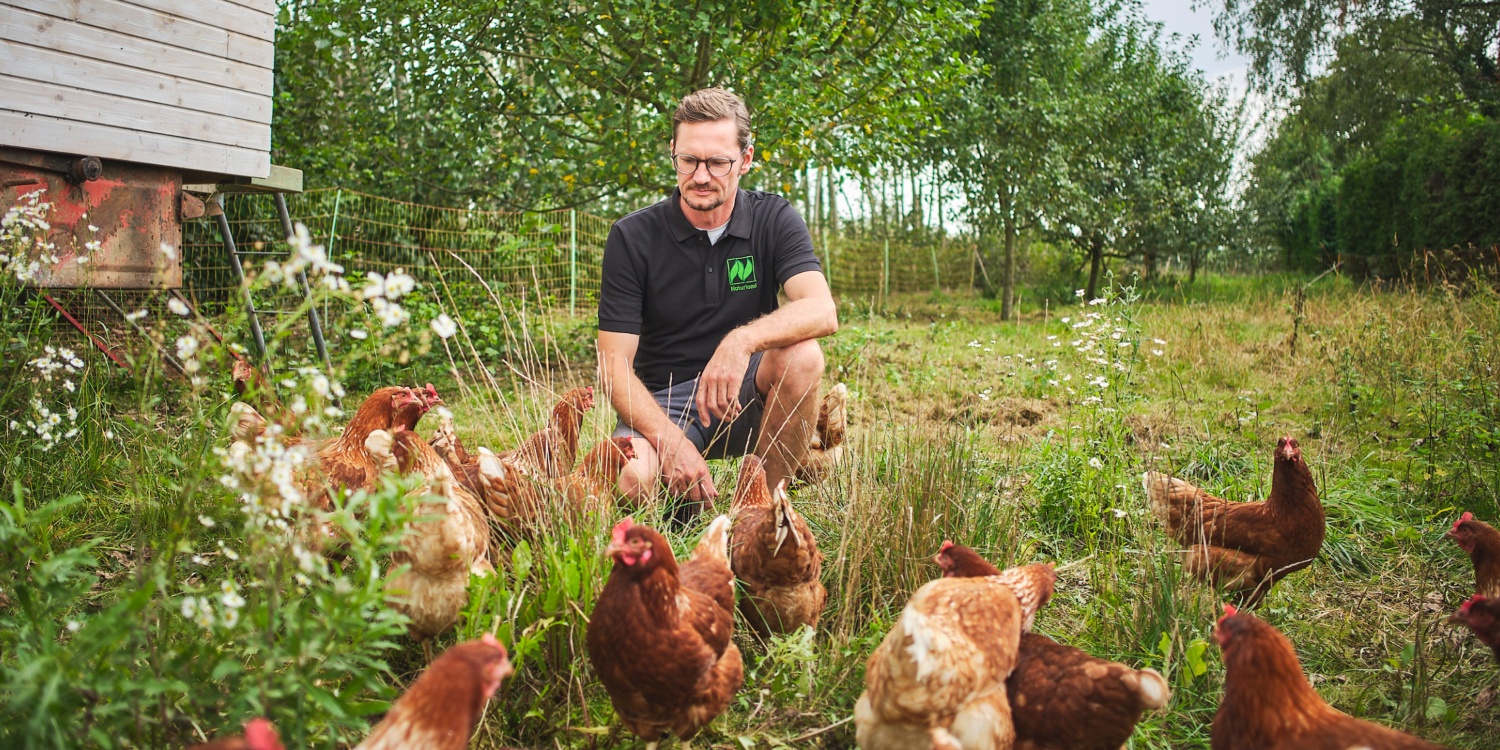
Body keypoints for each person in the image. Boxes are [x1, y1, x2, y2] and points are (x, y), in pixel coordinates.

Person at [596, 87, 838, 520]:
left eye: (718, 163)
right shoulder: (632, 238)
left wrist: (740, 342)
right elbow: (612, 366)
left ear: (745, 159)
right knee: (633, 480)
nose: (701, 176)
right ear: (673, 153)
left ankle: (760, 514)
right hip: (662, 403)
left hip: (742, 395)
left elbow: (821, 310)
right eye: (688, 161)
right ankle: (682, 510)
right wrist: (671, 441)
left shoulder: (774, 219)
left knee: (803, 356)